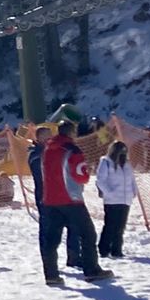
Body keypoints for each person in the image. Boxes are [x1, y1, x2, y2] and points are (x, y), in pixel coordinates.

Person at [38, 121, 109, 285]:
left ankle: (51, 275)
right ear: (72, 133)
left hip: (50, 199)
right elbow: (80, 176)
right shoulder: (72, 150)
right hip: (71, 198)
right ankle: (92, 270)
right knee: (88, 234)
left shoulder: (47, 149)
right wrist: (87, 174)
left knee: (51, 239)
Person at [95, 141, 138, 259]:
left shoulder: (127, 164)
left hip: (125, 199)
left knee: (121, 226)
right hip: (112, 200)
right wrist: (109, 192)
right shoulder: (106, 162)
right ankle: (104, 248)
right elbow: (100, 180)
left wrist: (134, 191)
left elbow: (132, 179)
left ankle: (117, 249)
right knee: (110, 225)